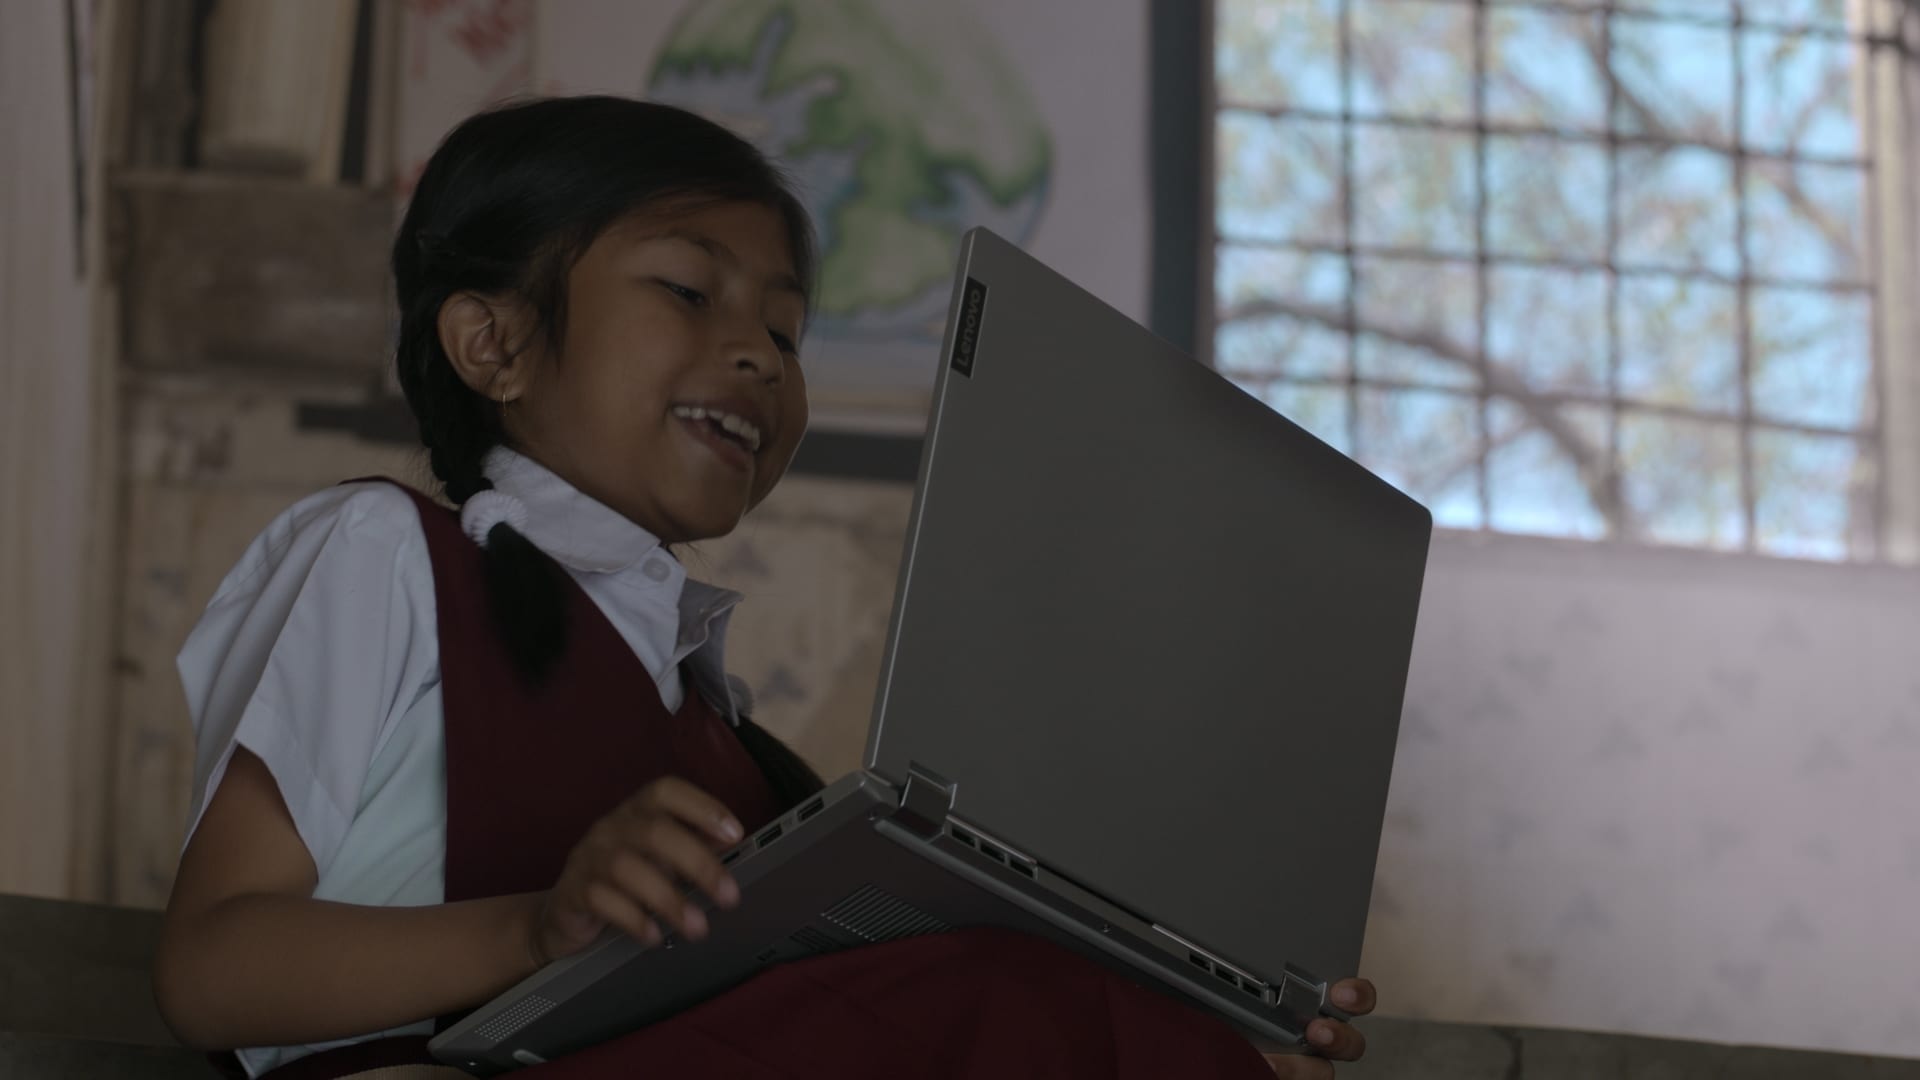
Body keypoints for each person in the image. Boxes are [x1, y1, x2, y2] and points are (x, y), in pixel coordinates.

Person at [151, 95, 1377, 1080]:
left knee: (1085, 1001)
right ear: (496, 342)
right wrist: (533, 934)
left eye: (787, 336)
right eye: (689, 291)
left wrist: (1198, 997)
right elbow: (212, 969)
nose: (756, 354)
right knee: (1008, 1003)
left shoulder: (742, 756)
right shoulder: (388, 551)